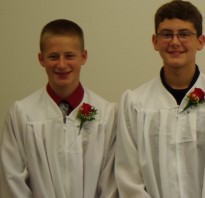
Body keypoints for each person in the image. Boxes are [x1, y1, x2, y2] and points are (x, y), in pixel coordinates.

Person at [114, 1, 205, 197]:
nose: (175, 42)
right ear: (154, 41)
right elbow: (129, 177)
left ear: (200, 41)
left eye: (184, 34)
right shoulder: (135, 104)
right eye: (166, 34)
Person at [0, 19, 118, 198]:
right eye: (53, 56)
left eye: (69, 55)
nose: (62, 65)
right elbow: (12, 180)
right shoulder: (22, 114)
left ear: (83, 57)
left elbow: (110, 183)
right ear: (41, 59)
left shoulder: (105, 114)